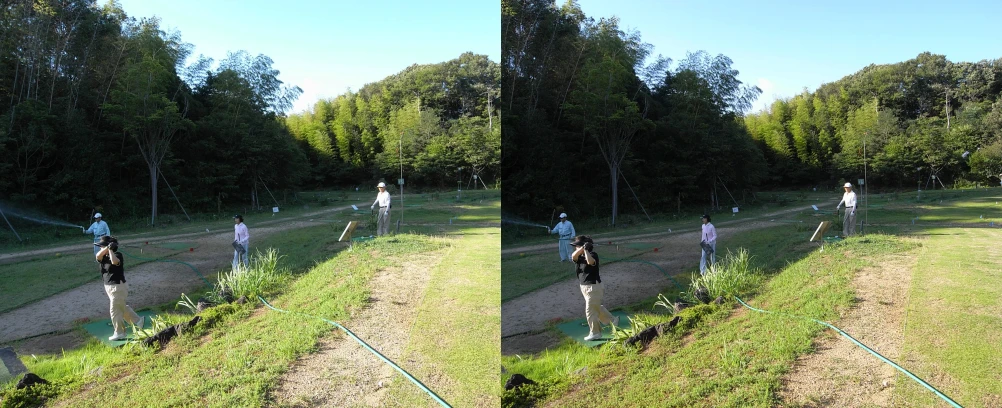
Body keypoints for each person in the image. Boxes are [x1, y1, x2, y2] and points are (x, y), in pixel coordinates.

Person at [96, 235, 144, 341]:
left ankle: (120, 333)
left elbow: (114, 262)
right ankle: (138, 321)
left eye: (102, 246)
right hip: (109, 287)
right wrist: (107, 248)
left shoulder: (118, 255)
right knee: (121, 306)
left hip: (118, 286)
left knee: (115, 310)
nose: (100, 248)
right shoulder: (102, 257)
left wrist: (111, 250)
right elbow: (98, 256)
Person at [571, 235, 618, 341]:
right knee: (596, 306)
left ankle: (595, 333)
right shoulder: (578, 257)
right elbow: (573, 256)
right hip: (584, 287)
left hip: (594, 286)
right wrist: (583, 248)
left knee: (590, 310)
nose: (575, 248)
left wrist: (586, 250)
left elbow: (590, 262)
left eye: (577, 246)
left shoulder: (593, 255)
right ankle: (612, 321)